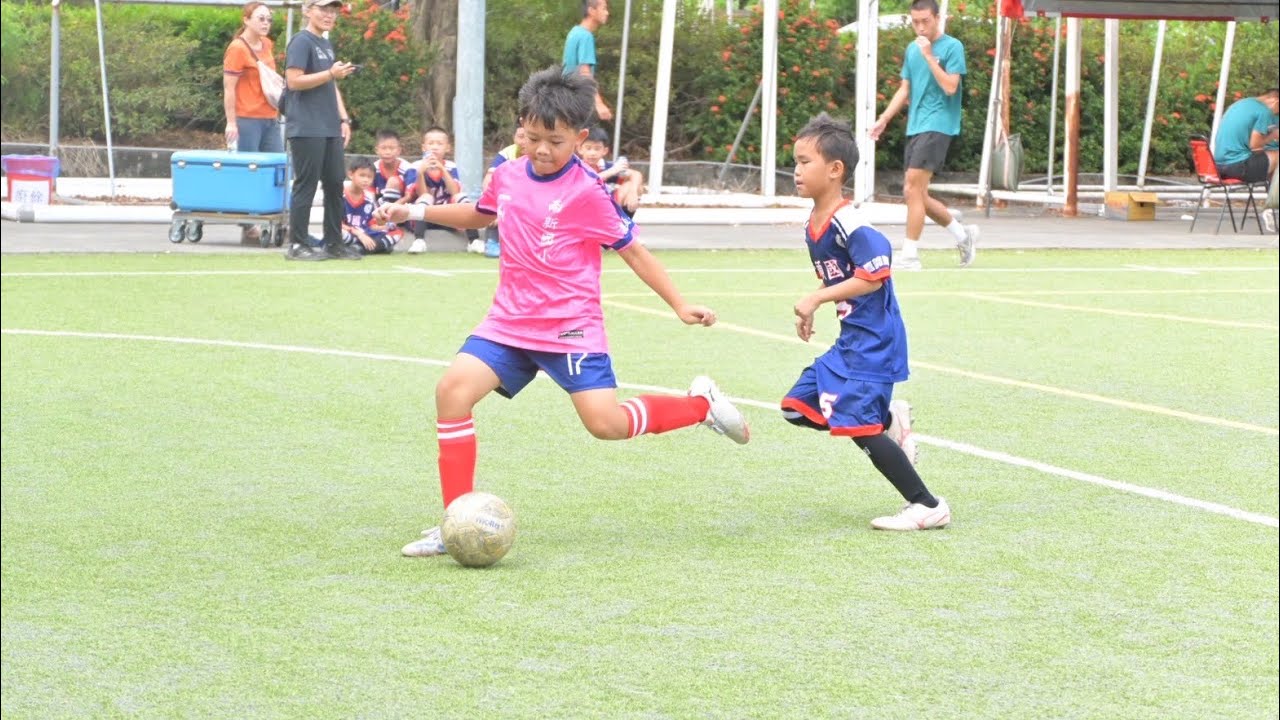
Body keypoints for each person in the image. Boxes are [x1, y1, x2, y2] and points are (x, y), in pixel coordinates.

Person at [375, 66, 751, 558]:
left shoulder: (588, 192)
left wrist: (679, 304)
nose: (542, 150)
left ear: (580, 137)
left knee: (606, 425)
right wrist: (416, 212)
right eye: (532, 138)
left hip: (570, 328)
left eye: (554, 140)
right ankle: (456, 521)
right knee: (451, 392)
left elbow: (632, 250)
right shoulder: (508, 175)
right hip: (509, 323)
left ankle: (700, 405)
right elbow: (482, 215)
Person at [783, 113, 950, 531]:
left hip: (875, 343)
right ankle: (891, 422)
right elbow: (840, 279)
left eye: (805, 162)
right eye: (796, 162)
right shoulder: (814, 225)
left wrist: (816, 297)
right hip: (850, 343)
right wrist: (819, 305)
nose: (797, 171)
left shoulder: (851, 222)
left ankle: (927, 505)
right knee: (797, 407)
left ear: (835, 170)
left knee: (860, 426)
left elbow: (874, 276)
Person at [869, 0, 977, 271]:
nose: (920, 27)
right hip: (916, 126)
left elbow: (951, 87)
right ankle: (964, 236)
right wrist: (883, 119)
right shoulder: (911, 49)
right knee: (915, 193)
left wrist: (930, 56)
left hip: (939, 124)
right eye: (915, 21)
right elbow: (905, 89)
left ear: (937, 18)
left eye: (925, 21)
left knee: (912, 189)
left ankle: (910, 255)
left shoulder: (953, 47)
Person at [282, 0, 361, 262]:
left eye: (333, 10)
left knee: (335, 184)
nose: (329, 15)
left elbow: (331, 85)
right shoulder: (301, 41)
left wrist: (343, 119)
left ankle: (334, 243)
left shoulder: (325, 43)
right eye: (323, 9)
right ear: (307, 10)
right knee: (306, 185)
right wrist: (330, 74)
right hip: (306, 126)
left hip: (329, 126)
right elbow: (293, 81)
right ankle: (297, 245)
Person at [222, 1, 283, 245]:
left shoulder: (268, 44)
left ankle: (274, 218)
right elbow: (229, 88)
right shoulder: (237, 48)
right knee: (250, 170)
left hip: (269, 116)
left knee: (277, 167)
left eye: (268, 19)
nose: (265, 23)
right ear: (246, 20)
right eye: (260, 18)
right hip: (247, 118)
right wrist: (231, 122)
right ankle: (248, 224)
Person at [475, 120, 530, 258]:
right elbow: (489, 178)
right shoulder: (506, 154)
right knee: (495, 204)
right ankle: (492, 242)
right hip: (510, 196)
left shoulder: (540, 154)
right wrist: (492, 201)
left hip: (532, 198)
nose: (524, 141)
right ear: (514, 138)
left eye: (529, 137)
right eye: (521, 136)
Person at [406, 126, 464, 254]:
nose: (434, 147)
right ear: (423, 147)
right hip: (423, 219)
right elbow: (421, 194)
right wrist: (421, 173)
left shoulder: (451, 166)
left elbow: (455, 192)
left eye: (439, 143)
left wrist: (442, 169)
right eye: (430, 143)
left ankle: (474, 240)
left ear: (447, 148)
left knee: (461, 197)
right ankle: (419, 240)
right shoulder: (415, 166)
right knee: (427, 198)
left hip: (445, 217)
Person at [1214, 88, 1279, 185]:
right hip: (1239, 168)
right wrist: (1273, 135)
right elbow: (1255, 146)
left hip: (1217, 167)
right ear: (1276, 101)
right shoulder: (1264, 111)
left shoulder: (1239, 104)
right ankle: (1273, 198)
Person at [563, 0, 613, 122]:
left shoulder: (574, 32)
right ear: (591, 11)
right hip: (576, 102)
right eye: (604, 8)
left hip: (565, 98)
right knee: (593, 140)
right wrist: (599, 104)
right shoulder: (585, 36)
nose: (607, 13)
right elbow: (584, 71)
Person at [577, 126, 644, 217]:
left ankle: (623, 224)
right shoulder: (576, 166)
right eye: (588, 148)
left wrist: (633, 193)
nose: (592, 153)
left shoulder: (605, 166)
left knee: (634, 185)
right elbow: (587, 183)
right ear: (580, 149)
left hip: (606, 209)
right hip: (582, 209)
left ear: (605, 151)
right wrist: (612, 171)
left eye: (597, 149)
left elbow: (636, 174)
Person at [342, 157, 400, 255]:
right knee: (340, 234)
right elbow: (334, 224)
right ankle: (377, 247)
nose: (365, 180)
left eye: (369, 177)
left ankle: (360, 248)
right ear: (351, 174)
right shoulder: (340, 196)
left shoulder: (369, 199)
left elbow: (371, 225)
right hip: (349, 233)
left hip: (365, 233)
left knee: (396, 233)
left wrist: (385, 226)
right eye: (362, 175)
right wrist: (358, 234)